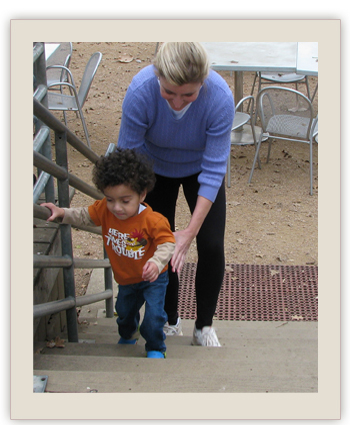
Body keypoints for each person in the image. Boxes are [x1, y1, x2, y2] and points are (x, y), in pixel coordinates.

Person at [117, 42, 235, 347]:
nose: (178, 103)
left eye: (189, 95)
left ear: (203, 83)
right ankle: (170, 319)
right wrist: (136, 208)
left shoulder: (219, 98)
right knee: (161, 244)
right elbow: (129, 155)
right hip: (152, 168)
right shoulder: (141, 91)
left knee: (210, 244)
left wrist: (190, 231)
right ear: (157, 76)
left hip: (200, 168)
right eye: (169, 92)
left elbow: (213, 170)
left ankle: (204, 326)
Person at [42, 148, 176, 359]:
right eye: (110, 199)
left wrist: (157, 263)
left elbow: (168, 243)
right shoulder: (105, 209)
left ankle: (155, 347)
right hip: (125, 278)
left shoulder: (153, 220)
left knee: (153, 316)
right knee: (123, 313)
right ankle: (128, 333)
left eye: (125, 201)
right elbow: (85, 216)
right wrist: (62, 213)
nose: (116, 208)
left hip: (153, 278)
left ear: (142, 194)